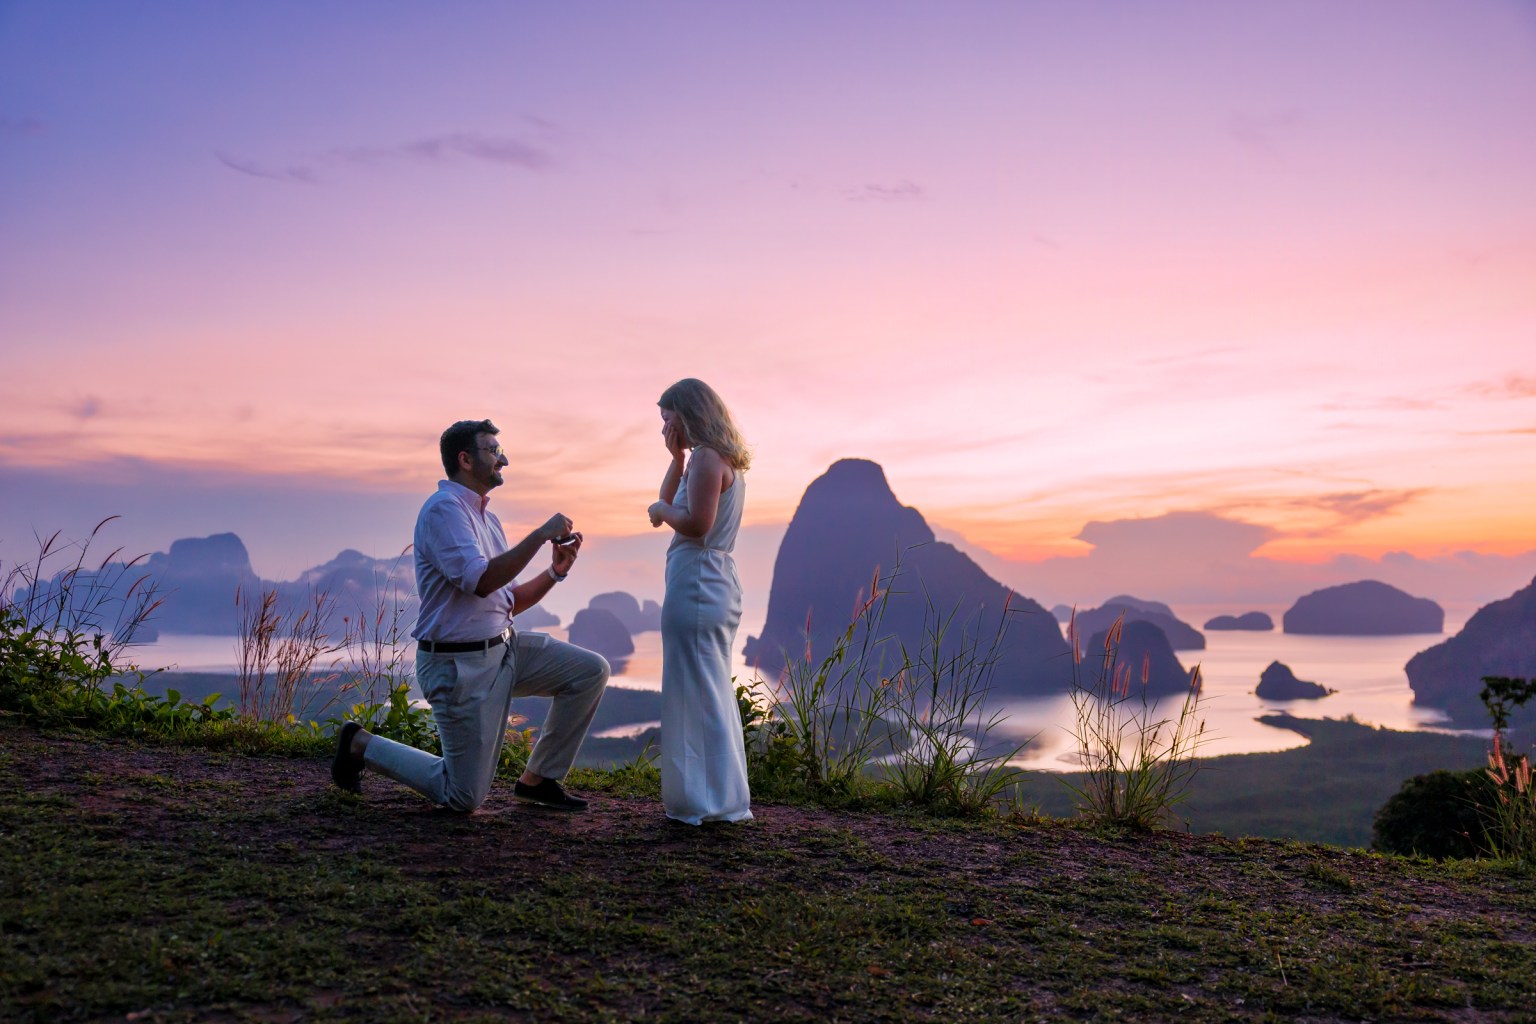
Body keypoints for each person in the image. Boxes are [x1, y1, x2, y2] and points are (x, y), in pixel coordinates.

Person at [330, 418, 610, 812]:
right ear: (464, 459)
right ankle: (359, 744)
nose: (503, 460)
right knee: (463, 797)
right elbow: (480, 581)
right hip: (459, 665)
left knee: (590, 672)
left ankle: (538, 780)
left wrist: (555, 571)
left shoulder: (486, 518)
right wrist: (539, 535)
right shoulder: (443, 511)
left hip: (505, 650)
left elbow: (507, 601)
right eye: (494, 451)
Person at [647, 379, 753, 824]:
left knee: (697, 690)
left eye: (668, 418)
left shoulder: (709, 457)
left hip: (698, 582)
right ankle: (715, 796)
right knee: (703, 686)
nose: (665, 428)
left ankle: (703, 800)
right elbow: (670, 502)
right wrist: (675, 461)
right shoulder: (708, 458)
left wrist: (661, 512)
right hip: (705, 579)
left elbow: (696, 523)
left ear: (688, 414)